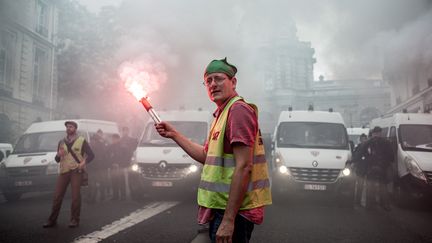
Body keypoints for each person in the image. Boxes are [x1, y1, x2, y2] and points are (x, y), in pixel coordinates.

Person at [155, 58, 272, 243]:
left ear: (233, 82)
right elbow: (206, 156)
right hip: (221, 209)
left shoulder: (237, 111)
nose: (213, 84)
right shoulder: (222, 113)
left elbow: (244, 166)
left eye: (218, 78)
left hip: (232, 213)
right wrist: (174, 134)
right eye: (208, 80)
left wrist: (228, 220)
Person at [43, 121, 94, 228]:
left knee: (75, 196)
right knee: (57, 196)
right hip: (64, 171)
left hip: (76, 171)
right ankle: (52, 220)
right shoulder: (61, 142)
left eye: (71, 127)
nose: (68, 128)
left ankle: (74, 220)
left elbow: (92, 155)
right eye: (67, 127)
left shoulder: (81, 140)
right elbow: (57, 159)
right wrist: (58, 154)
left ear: (75, 129)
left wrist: (83, 163)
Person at [363, 126, 394, 211]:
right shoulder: (386, 142)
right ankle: (384, 204)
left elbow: (361, 154)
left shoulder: (368, 143)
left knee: (372, 186)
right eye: (375, 133)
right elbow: (391, 157)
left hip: (374, 168)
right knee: (382, 186)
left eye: (377, 133)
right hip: (380, 167)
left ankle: (370, 205)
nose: (376, 135)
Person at [86, 129, 108, 203]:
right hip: (98, 166)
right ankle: (101, 197)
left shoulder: (91, 145)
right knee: (98, 182)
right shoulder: (101, 145)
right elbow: (104, 156)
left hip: (94, 167)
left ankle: (93, 198)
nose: (92, 141)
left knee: (93, 183)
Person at [108, 134, 128, 200]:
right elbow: (108, 156)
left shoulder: (123, 147)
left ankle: (123, 196)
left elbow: (125, 158)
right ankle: (115, 196)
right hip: (113, 167)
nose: (113, 140)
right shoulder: (110, 147)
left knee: (121, 182)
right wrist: (111, 164)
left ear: (118, 139)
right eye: (112, 139)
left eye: (114, 139)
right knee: (114, 182)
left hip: (120, 167)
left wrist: (120, 164)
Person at [352, 133, 368, 206]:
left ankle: (365, 201)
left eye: (365, 139)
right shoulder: (358, 147)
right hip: (360, 169)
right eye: (362, 139)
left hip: (367, 169)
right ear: (361, 139)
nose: (363, 140)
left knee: (368, 186)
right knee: (359, 185)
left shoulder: (368, 147)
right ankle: (357, 201)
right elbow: (355, 156)